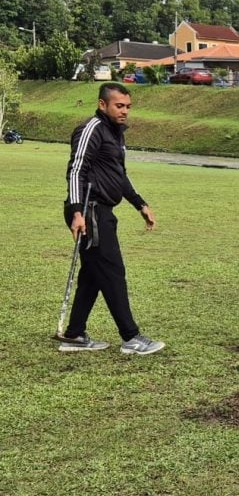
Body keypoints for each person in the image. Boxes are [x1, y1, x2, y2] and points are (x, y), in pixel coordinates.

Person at [61, 82, 165, 355]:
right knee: (112, 272)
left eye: (128, 106)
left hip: (101, 211)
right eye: (119, 106)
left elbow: (119, 175)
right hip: (89, 211)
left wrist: (139, 204)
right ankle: (131, 337)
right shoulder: (91, 129)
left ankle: (74, 334)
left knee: (93, 275)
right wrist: (76, 212)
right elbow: (76, 170)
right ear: (102, 104)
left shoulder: (115, 133)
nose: (125, 111)